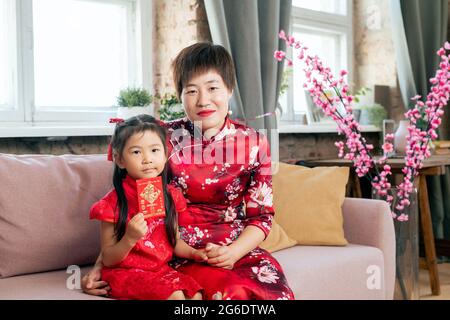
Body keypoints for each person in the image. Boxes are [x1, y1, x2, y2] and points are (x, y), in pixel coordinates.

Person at [83, 42, 294, 300]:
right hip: (174, 252)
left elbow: (262, 216)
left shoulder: (255, 142)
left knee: (271, 295)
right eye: (191, 90)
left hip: (236, 250)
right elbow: (128, 203)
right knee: (230, 294)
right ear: (180, 95)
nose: (203, 100)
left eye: (213, 88)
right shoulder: (162, 137)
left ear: (229, 89)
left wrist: (234, 252)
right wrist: (101, 265)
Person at [89, 114, 207, 300]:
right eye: (136, 152)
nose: (147, 159)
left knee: (196, 294)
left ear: (165, 154)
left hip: (160, 270)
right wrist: (130, 238)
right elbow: (109, 258)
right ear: (120, 160)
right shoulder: (112, 204)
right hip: (125, 272)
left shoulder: (171, 195)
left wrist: (195, 253)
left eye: (154, 150)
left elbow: (175, 242)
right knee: (175, 296)